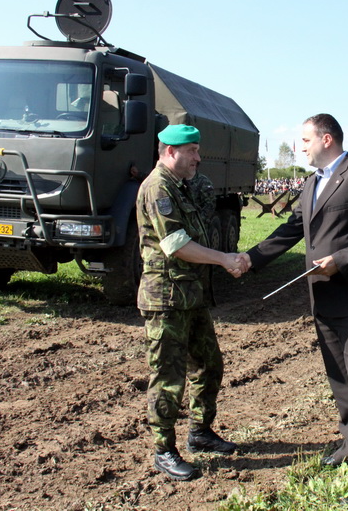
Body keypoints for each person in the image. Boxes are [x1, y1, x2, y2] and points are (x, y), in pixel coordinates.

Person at [242, 113, 348, 504]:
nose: (301, 147)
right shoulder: (311, 183)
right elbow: (292, 229)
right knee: (339, 381)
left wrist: (343, 259)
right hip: (322, 299)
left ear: (326, 139)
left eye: (305, 140)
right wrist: (250, 259)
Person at [136, 124, 249, 482]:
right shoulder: (158, 188)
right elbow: (176, 245)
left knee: (209, 365)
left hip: (190, 295)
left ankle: (200, 432)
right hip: (165, 298)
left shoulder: (182, 184)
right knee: (168, 378)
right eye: (193, 151)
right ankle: (164, 451)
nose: (199, 158)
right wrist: (224, 259)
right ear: (171, 152)